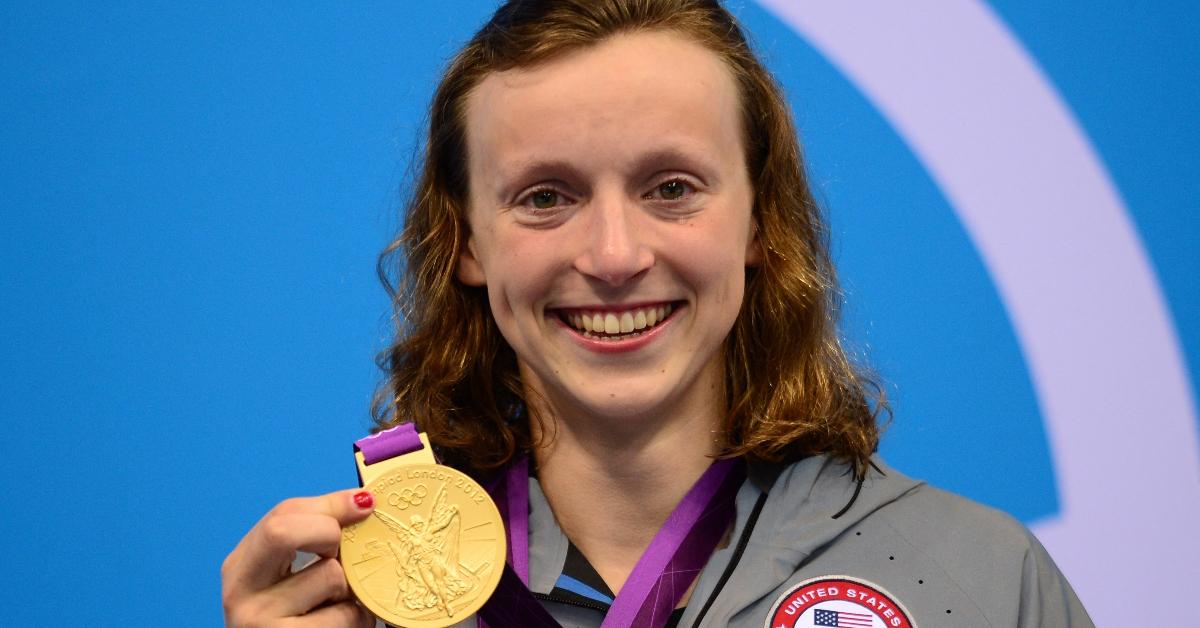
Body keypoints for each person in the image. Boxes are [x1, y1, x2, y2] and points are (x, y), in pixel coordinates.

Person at [221, 1, 1093, 626]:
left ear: (761, 221)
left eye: (671, 188)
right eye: (545, 196)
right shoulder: (357, 606)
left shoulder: (979, 580)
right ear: (468, 244)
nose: (612, 255)